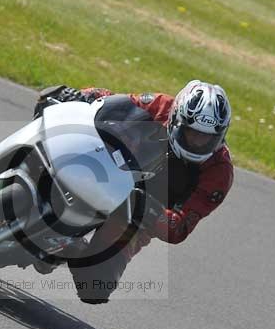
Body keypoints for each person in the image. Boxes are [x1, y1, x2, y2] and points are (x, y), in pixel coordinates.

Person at [33, 80, 234, 304]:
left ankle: (69, 247)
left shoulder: (219, 173)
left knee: (95, 288)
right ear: (177, 119)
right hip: (110, 170)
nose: (197, 142)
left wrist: (146, 208)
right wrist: (81, 95)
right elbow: (113, 101)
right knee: (55, 117)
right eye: (191, 133)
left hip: (136, 216)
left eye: (206, 138)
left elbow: (181, 227)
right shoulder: (161, 107)